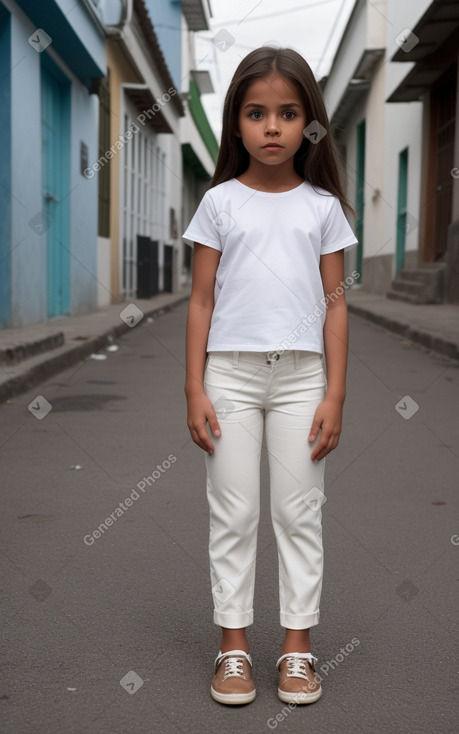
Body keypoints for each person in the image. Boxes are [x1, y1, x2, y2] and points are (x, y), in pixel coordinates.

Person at [183, 46, 358, 706]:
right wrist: (194, 386)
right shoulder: (219, 203)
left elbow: (335, 307)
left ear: (308, 123)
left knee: (297, 511)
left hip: (301, 381)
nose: (273, 127)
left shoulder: (322, 208)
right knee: (234, 511)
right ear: (236, 124)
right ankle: (233, 647)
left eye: (288, 113)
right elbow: (201, 300)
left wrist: (335, 393)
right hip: (227, 376)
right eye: (257, 113)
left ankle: (296, 648)